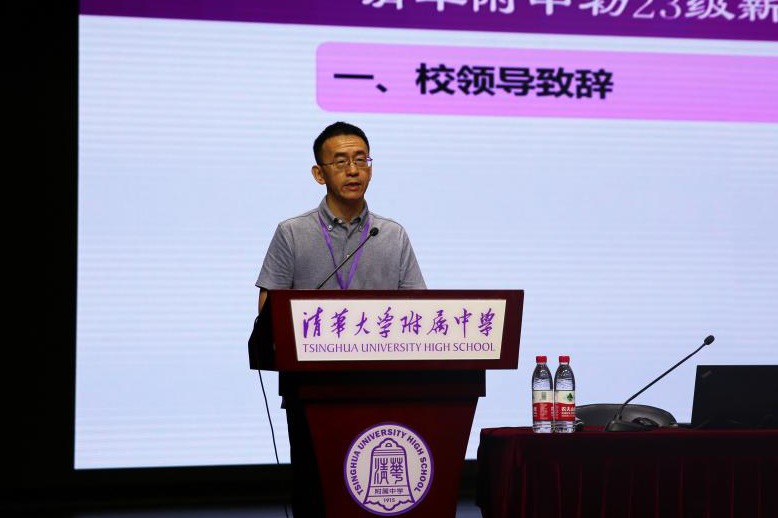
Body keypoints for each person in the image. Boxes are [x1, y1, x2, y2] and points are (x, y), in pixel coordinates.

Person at [254, 121, 426, 517]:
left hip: (382, 386)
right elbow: (268, 310)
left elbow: (417, 308)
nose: (353, 170)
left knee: (374, 493)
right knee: (317, 492)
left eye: (361, 160)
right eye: (341, 161)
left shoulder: (391, 234)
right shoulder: (292, 233)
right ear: (320, 173)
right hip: (311, 387)